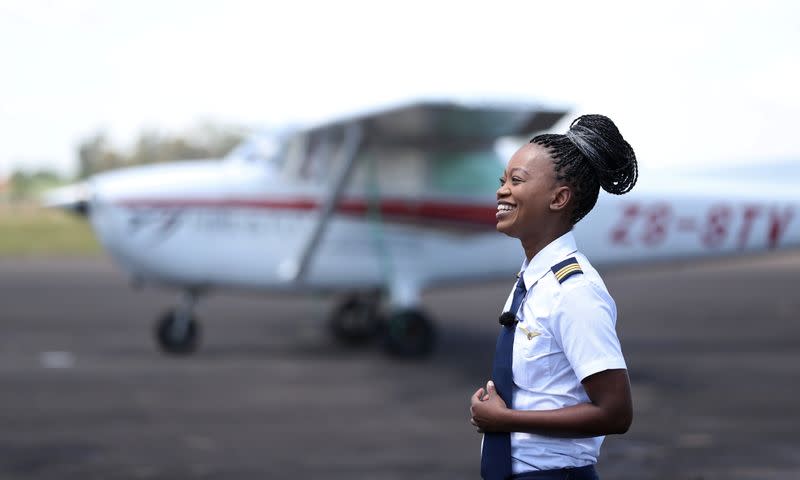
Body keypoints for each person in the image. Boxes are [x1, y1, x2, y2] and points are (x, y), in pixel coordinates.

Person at [469, 114, 636, 480]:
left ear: (559, 198)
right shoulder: (532, 281)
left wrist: (504, 419)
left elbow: (616, 413)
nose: (501, 190)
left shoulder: (574, 292)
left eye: (517, 180)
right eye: (502, 180)